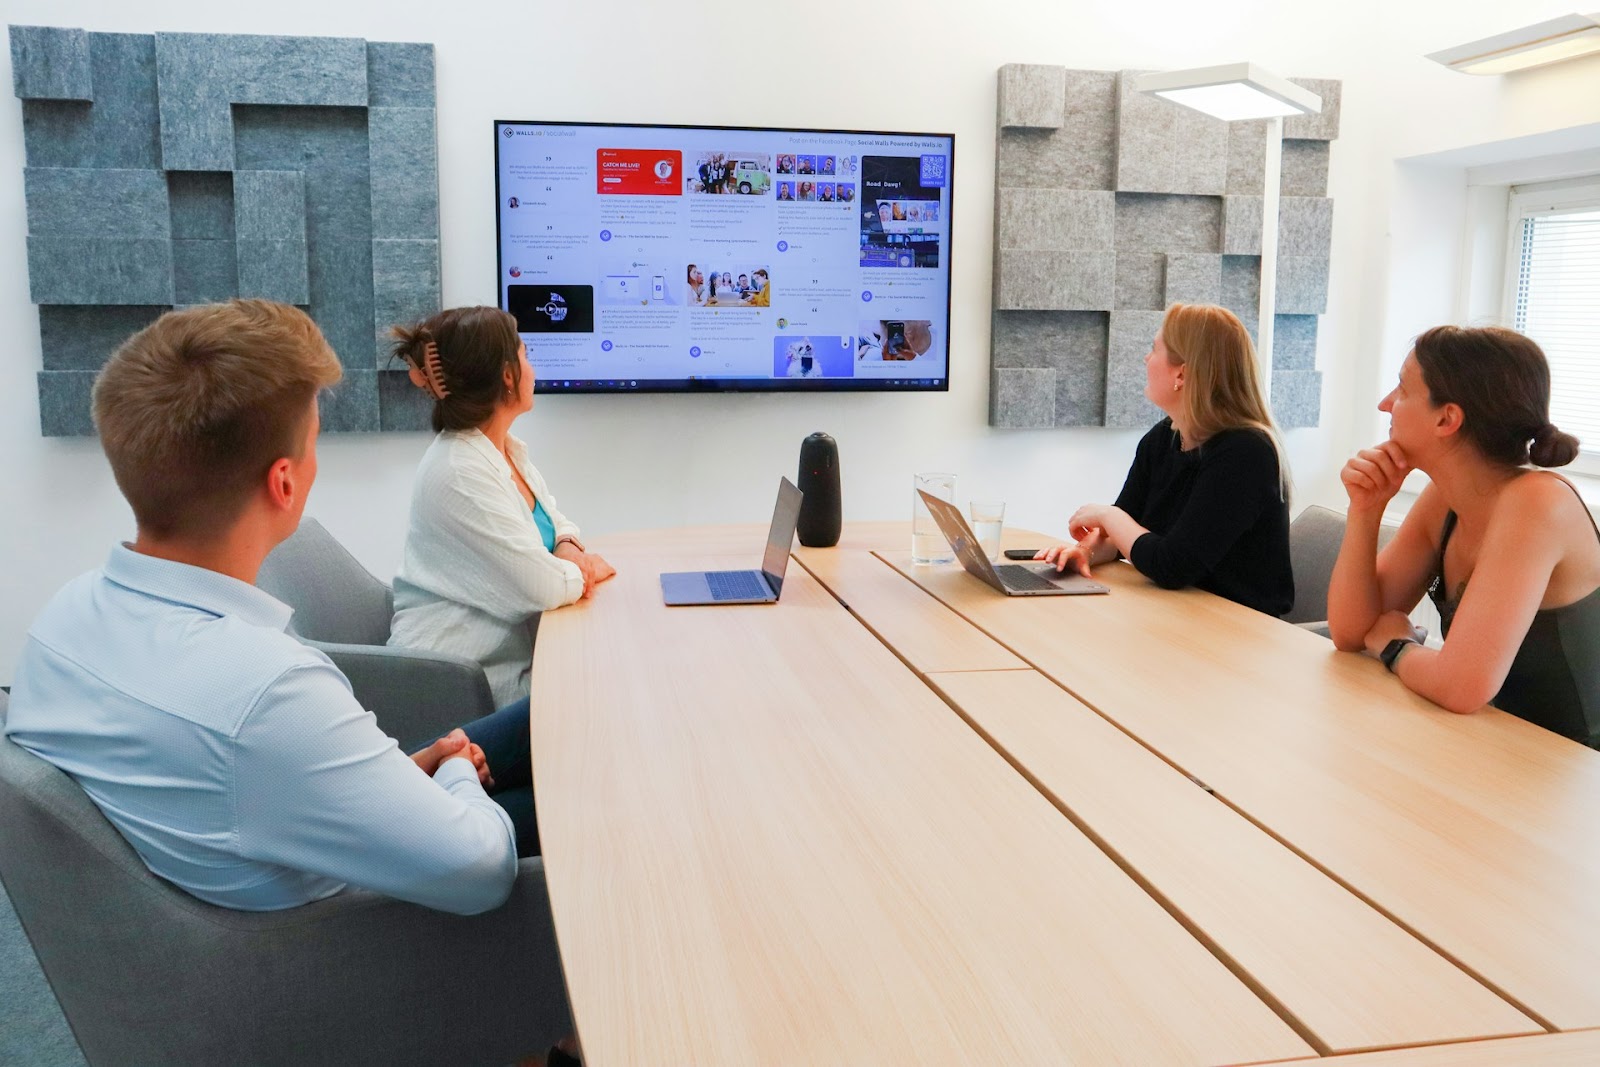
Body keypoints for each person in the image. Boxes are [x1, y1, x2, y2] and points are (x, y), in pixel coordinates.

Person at [4, 300, 535, 915]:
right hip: (371, 937)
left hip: (276, 843)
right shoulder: (268, 693)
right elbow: (484, 872)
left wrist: (417, 769)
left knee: (554, 720)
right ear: (284, 483)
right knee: (607, 787)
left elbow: (271, 782)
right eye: (314, 441)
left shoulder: (62, 620)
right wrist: (455, 776)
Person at [1327, 326, 1598, 746]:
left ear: (1447, 418)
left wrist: (1397, 647)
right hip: (1496, 743)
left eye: (1401, 390)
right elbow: (1350, 631)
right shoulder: (1444, 499)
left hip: (1575, 771)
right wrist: (1366, 510)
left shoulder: (1539, 503)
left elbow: (1460, 687)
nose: (1385, 405)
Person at [389, 306, 615, 708]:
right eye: (526, 354)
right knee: (617, 691)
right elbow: (543, 586)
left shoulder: (502, 449)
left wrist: (566, 548)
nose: (532, 367)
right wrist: (585, 568)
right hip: (463, 689)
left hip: (509, 663)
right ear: (508, 376)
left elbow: (556, 522)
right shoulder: (459, 471)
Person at [1037, 303, 1294, 617]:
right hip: (1178, 615)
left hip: (1236, 631)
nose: (1146, 359)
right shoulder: (1162, 438)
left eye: (1153, 349)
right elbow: (1120, 538)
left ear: (1182, 373)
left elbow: (1172, 565)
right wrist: (1084, 552)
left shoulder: (1246, 453)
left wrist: (1107, 515)